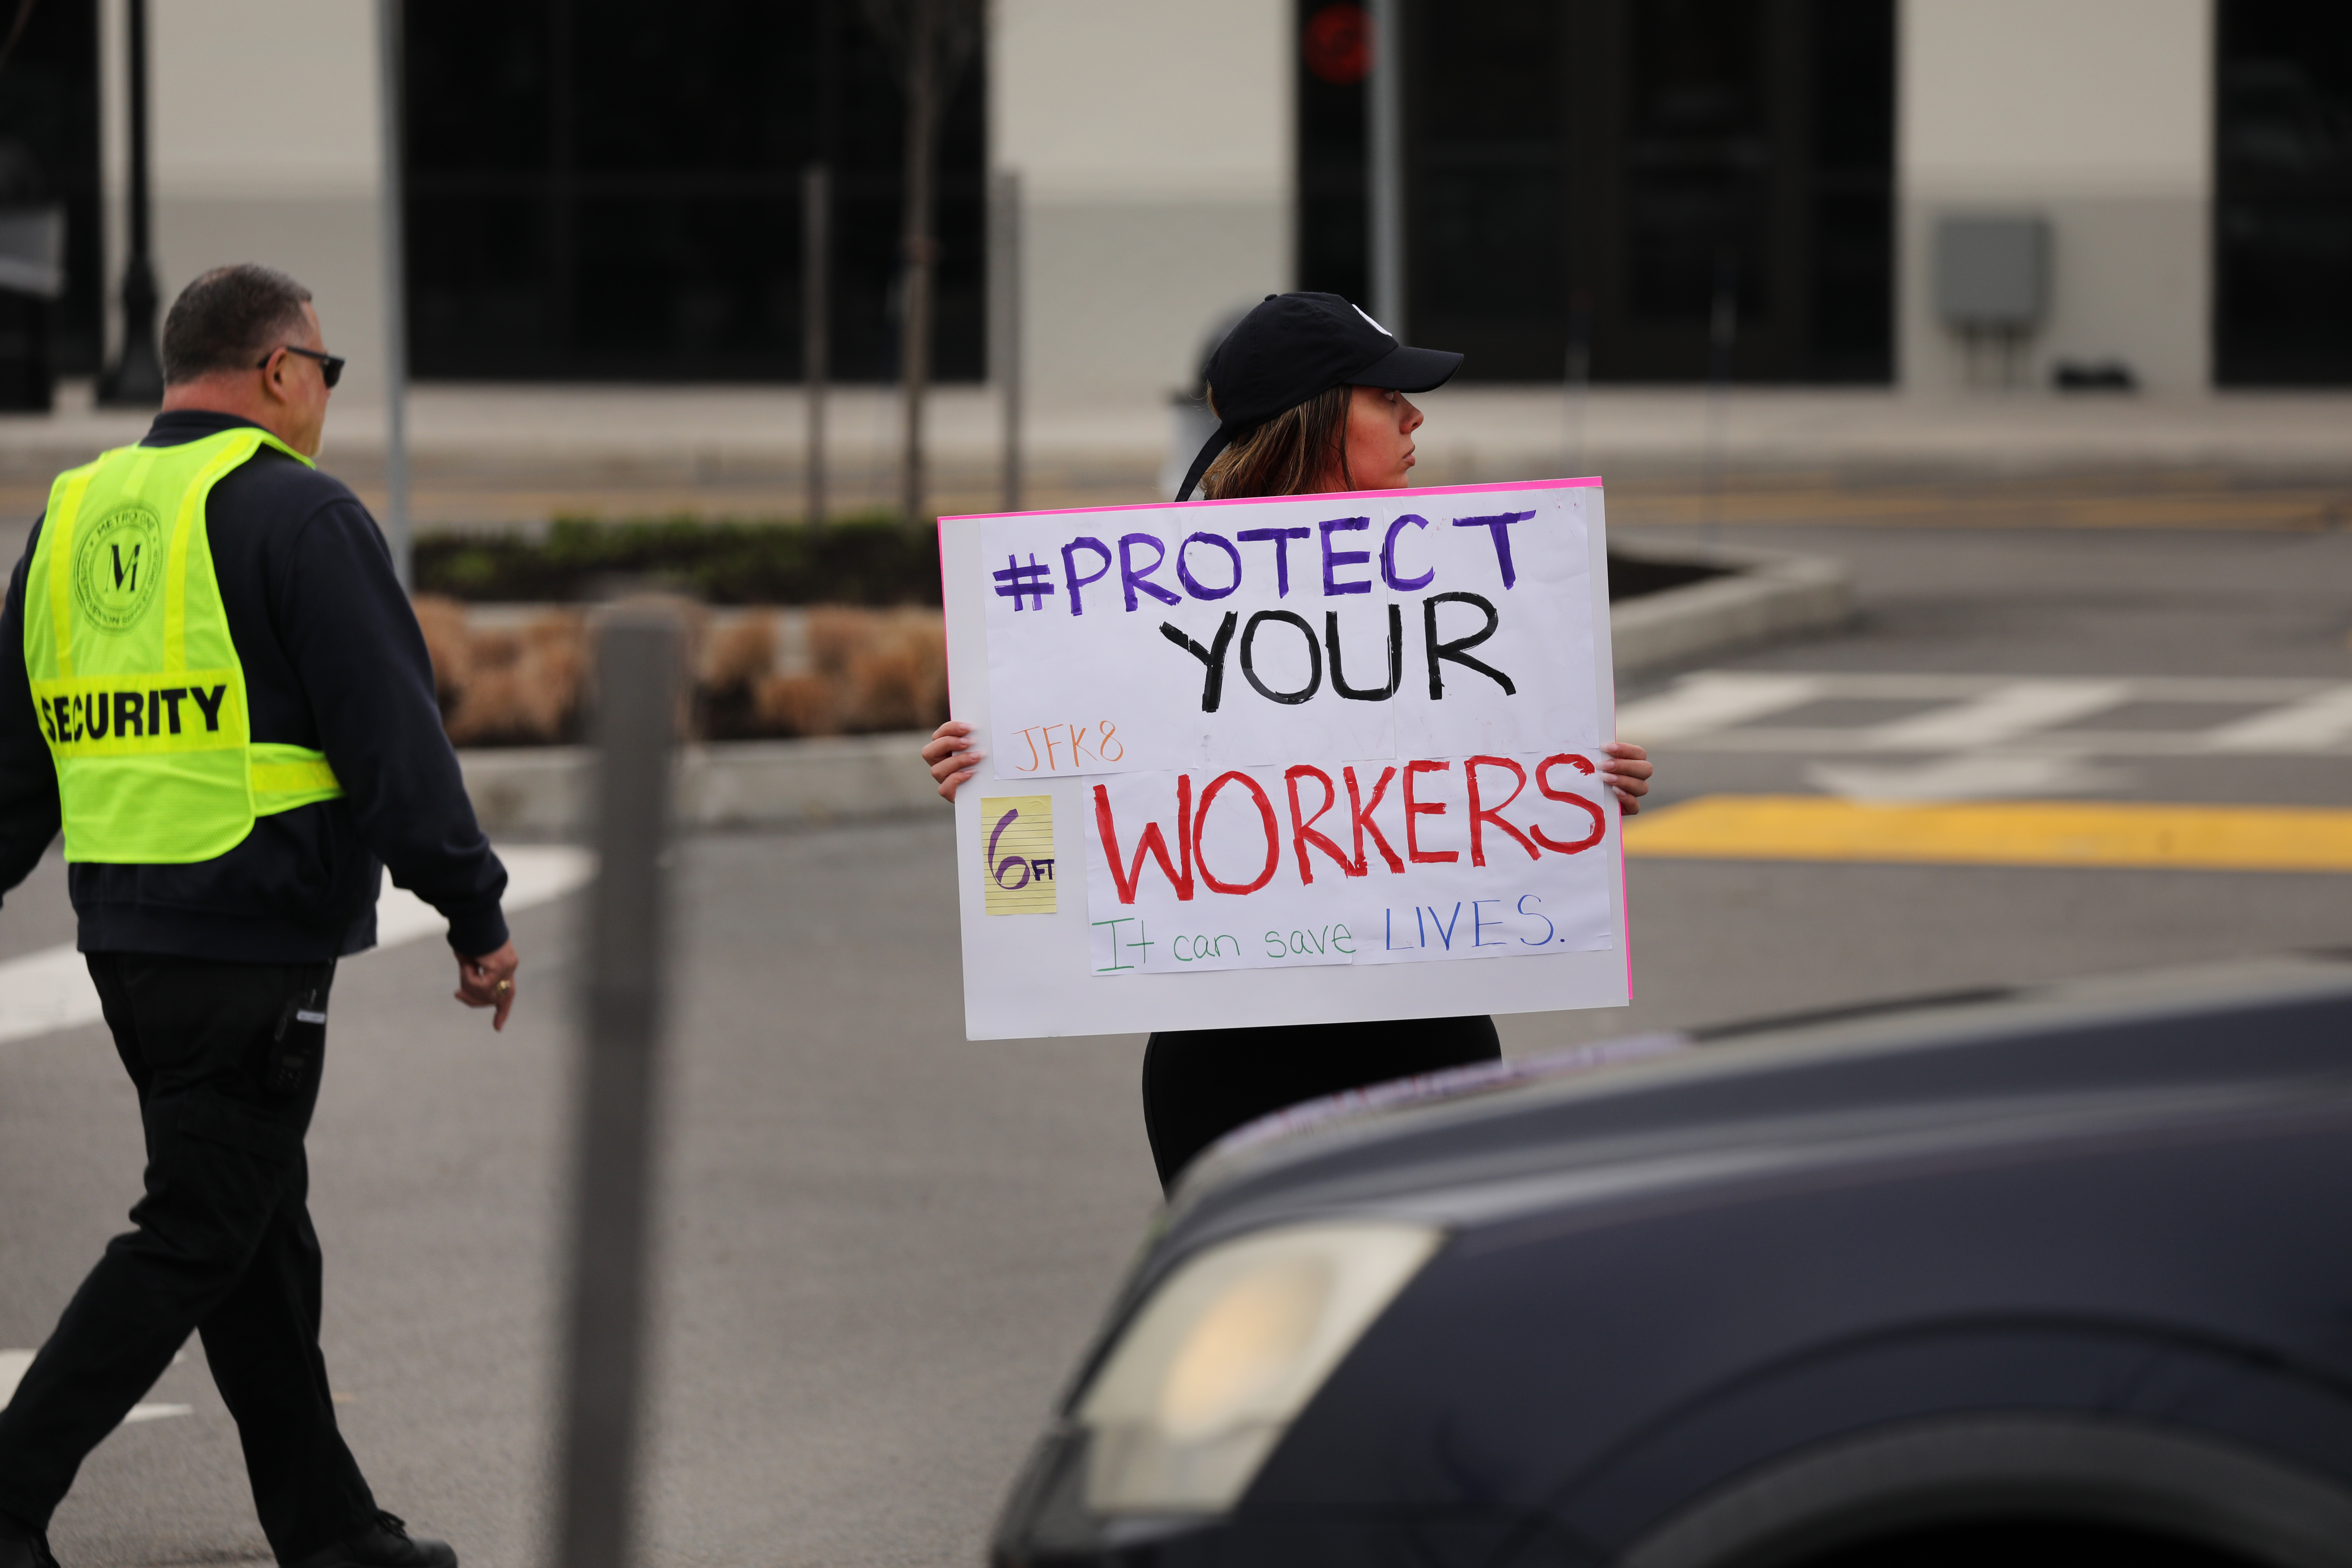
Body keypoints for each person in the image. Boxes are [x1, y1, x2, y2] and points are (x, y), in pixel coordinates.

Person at [0, 265, 515, 1568]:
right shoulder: (299, 515)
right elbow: (392, 738)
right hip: (250, 938)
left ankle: (330, 1530)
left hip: (126, 941)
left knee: (254, 1232)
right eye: (325, 373)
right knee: (199, 1229)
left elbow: (13, 760)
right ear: (282, 370)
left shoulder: (74, 512)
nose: (326, 399)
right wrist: (471, 908)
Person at [921, 292, 1652, 1192]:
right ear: (1318, 418)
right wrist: (994, 782)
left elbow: (1489, 788)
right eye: (1387, 398)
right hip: (1229, 1063)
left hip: (1424, 1039)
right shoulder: (1135, 602)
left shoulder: (1470, 584)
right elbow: (1073, 830)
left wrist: (1585, 780)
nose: (1415, 416)